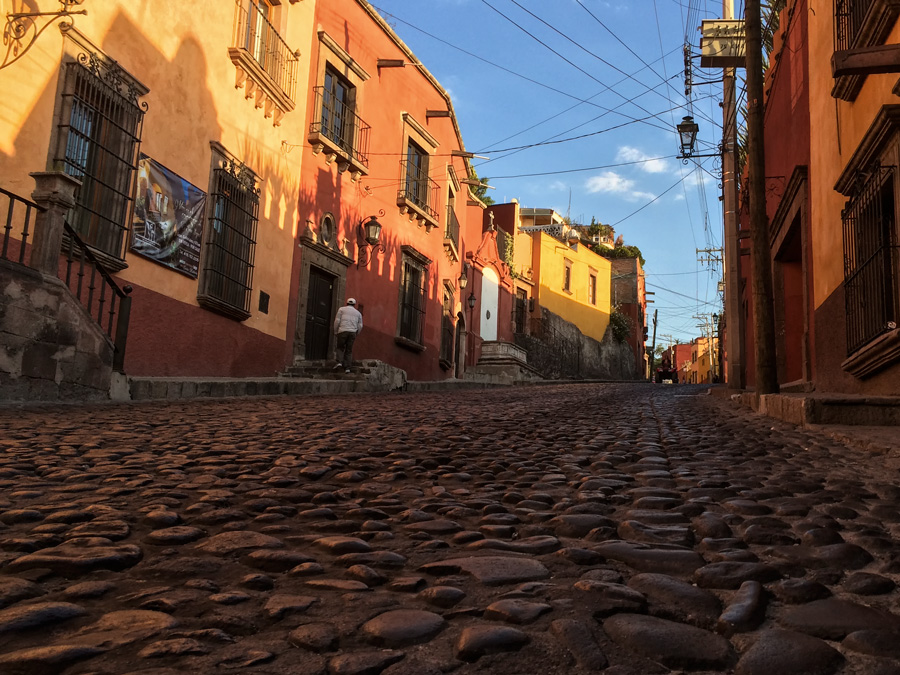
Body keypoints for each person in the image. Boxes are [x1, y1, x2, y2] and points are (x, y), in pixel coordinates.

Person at [333, 298, 363, 373]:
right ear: (354, 304)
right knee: (349, 350)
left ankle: (339, 362)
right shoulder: (358, 313)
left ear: (347, 303)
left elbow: (337, 321)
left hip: (342, 330)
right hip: (352, 332)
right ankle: (347, 368)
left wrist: (335, 331)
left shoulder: (341, 310)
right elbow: (360, 325)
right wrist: (357, 333)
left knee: (340, 347)